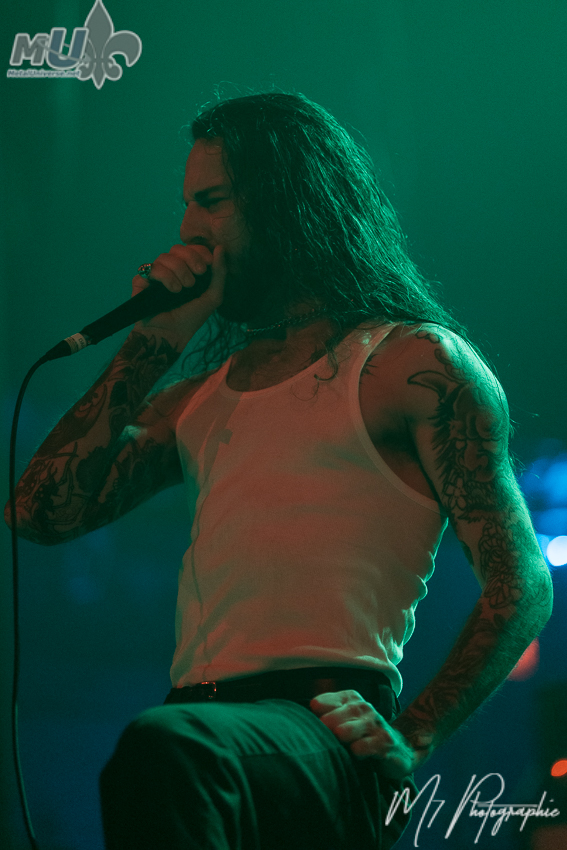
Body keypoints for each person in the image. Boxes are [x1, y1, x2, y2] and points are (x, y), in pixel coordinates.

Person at [5, 92, 553, 849]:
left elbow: (522, 584)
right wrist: (154, 338)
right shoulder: (197, 397)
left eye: (212, 201)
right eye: (185, 205)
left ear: (288, 198)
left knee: (167, 747)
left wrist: (414, 736)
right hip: (203, 733)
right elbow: (38, 513)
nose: (188, 229)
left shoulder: (409, 364)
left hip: (324, 733)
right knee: (168, 748)